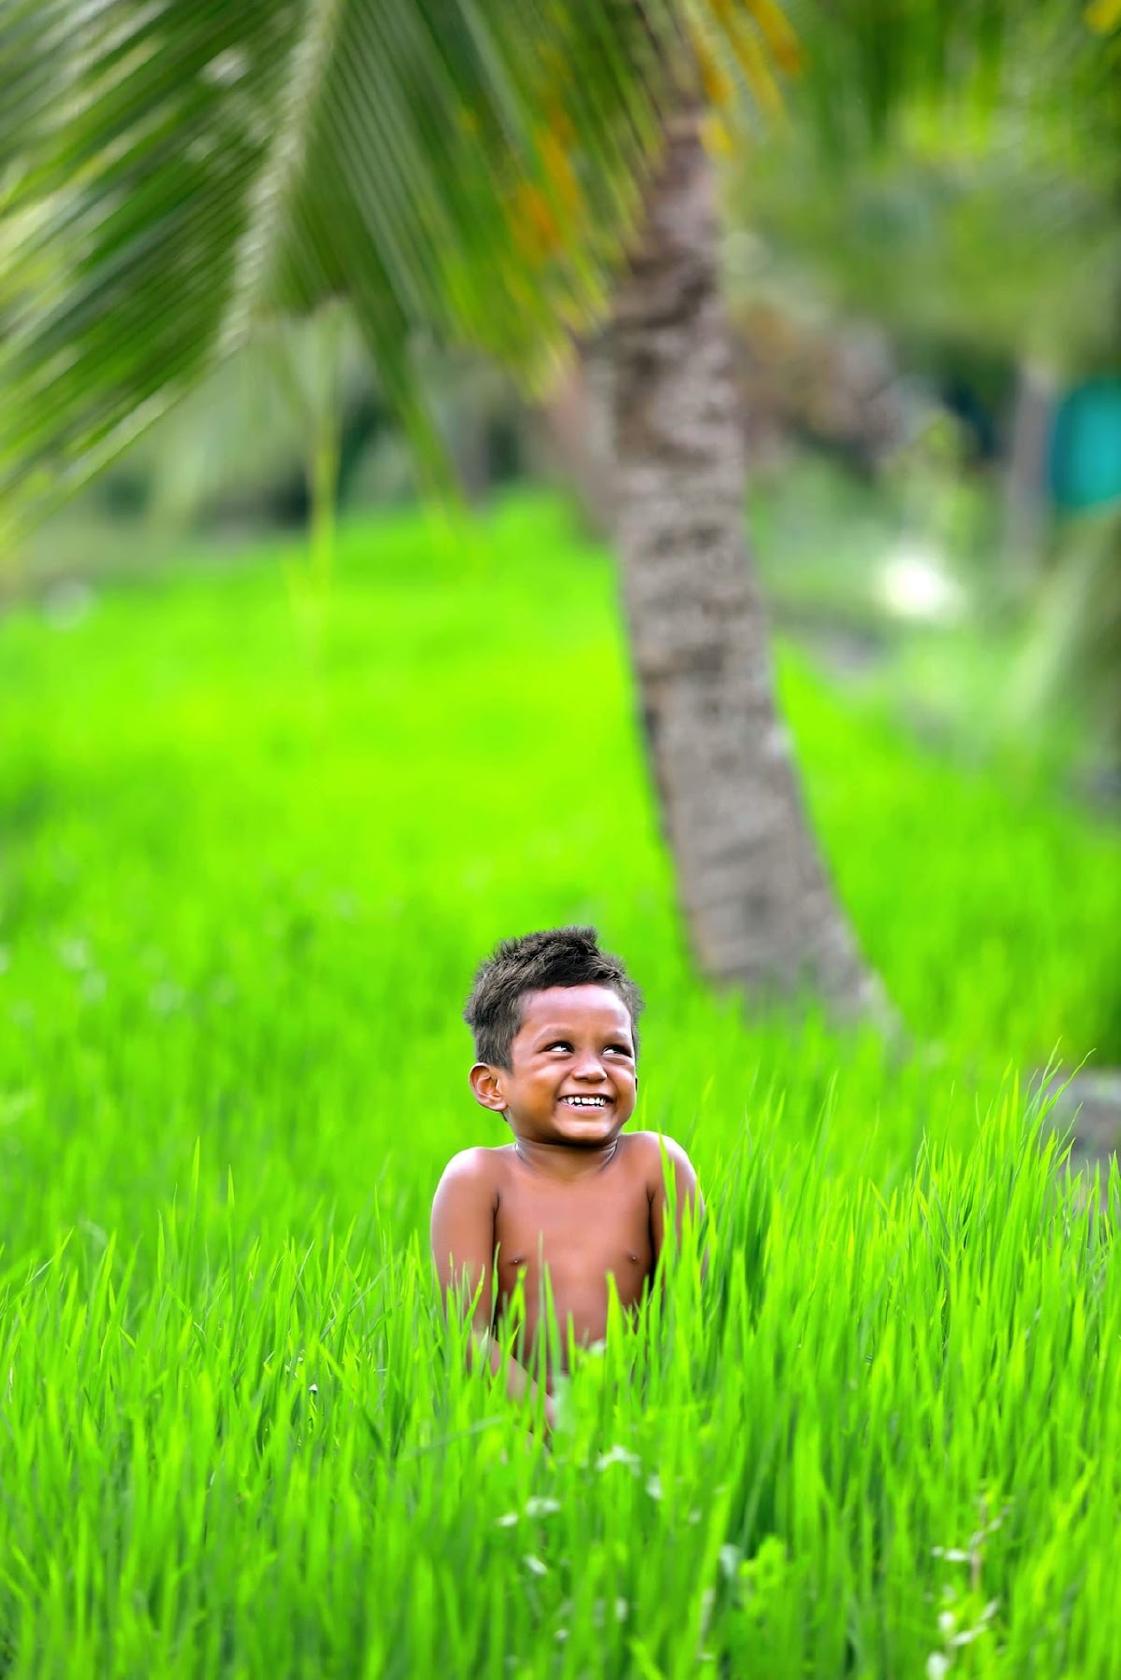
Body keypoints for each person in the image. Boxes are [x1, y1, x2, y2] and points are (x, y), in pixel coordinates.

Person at [430, 926, 702, 1429]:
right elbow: (467, 1334)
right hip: (516, 1430)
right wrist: (553, 1422)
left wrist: (649, 1420)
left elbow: (691, 1314)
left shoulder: (657, 1166)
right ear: (492, 1085)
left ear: (637, 1076)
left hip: (644, 1428)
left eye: (615, 1051)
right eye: (560, 1048)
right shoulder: (479, 1180)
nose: (593, 1070)